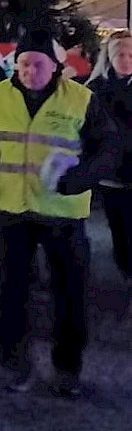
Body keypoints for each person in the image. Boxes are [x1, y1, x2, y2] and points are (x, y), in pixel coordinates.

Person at [0, 27, 118, 397]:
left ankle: (67, 367)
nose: (30, 72)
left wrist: (80, 178)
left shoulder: (81, 99)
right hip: (13, 208)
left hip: (63, 212)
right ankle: (14, 364)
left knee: (70, 294)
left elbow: (109, 148)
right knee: (10, 293)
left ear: (55, 66)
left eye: (38, 65)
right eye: (24, 64)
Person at [87, 30, 132, 311]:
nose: (126, 60)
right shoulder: (96, 90)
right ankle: (126, 273)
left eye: (130, 55)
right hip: (111, 175)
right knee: (120, 231)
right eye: (120, 55)